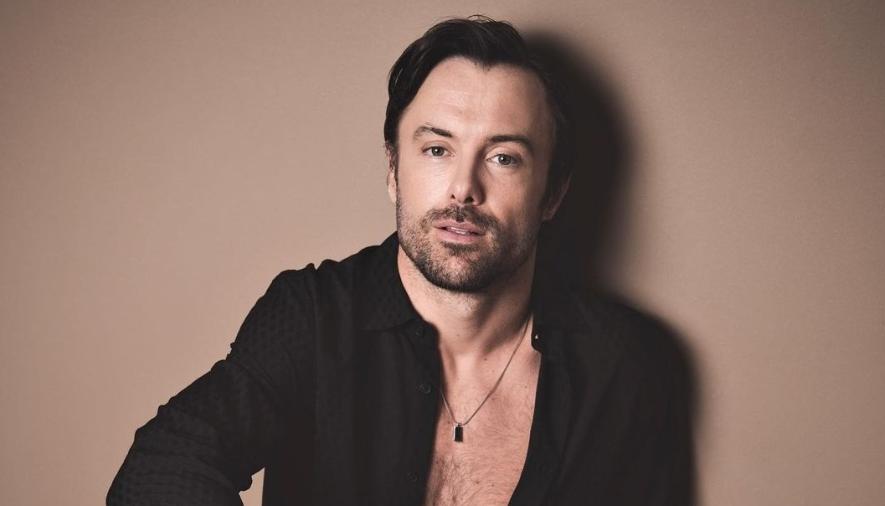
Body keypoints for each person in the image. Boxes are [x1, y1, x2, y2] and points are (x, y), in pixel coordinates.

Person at [108, 16, 693, 506]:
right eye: (437, 149)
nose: (463, 189)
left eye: (504, 158)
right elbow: (161, 467)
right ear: (393, 169)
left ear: (553, 193)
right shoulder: (313, 318)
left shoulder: (624, 366)